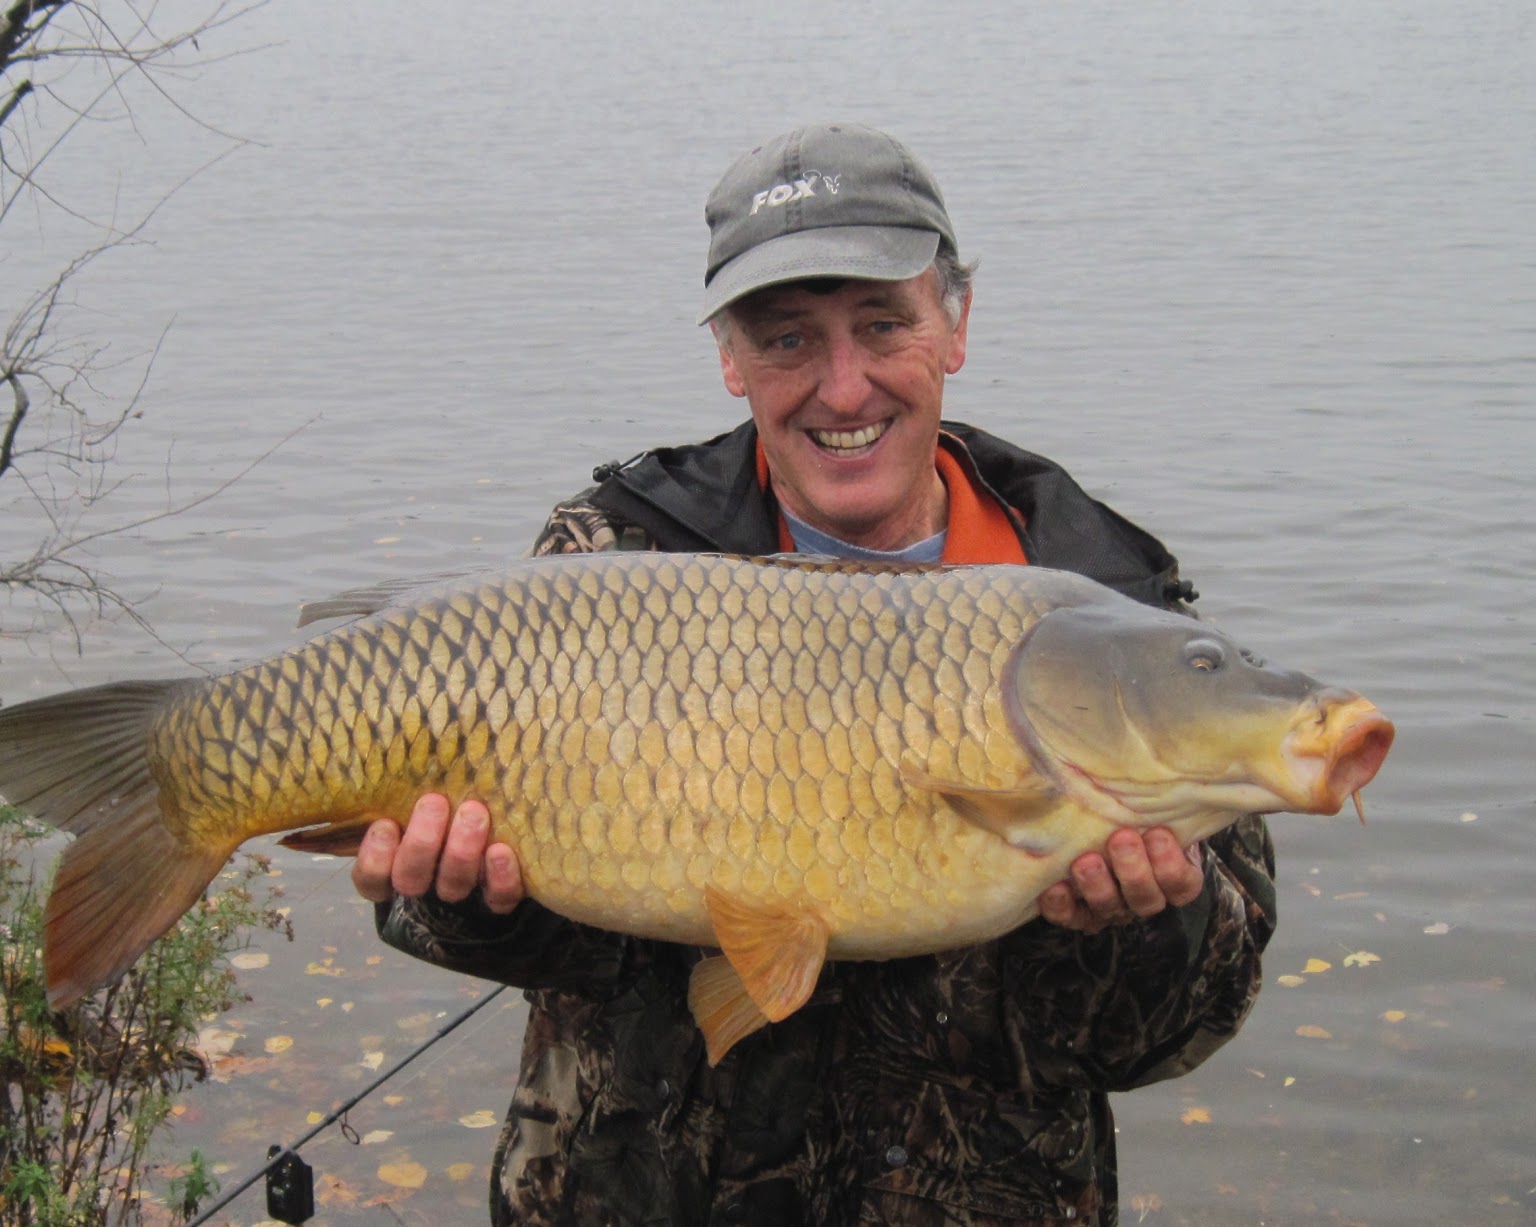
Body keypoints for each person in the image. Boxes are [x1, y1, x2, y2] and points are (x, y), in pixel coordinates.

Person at [353, 123, 1276, 1226]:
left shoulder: (1105, 605)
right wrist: (469, 904)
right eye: (787, 340)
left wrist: (1141, 925)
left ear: (956, 324)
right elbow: (494, 925)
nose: (843, 389)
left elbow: (1186, 1021)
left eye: (882, 325)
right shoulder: (611, 561)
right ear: (728, 356)